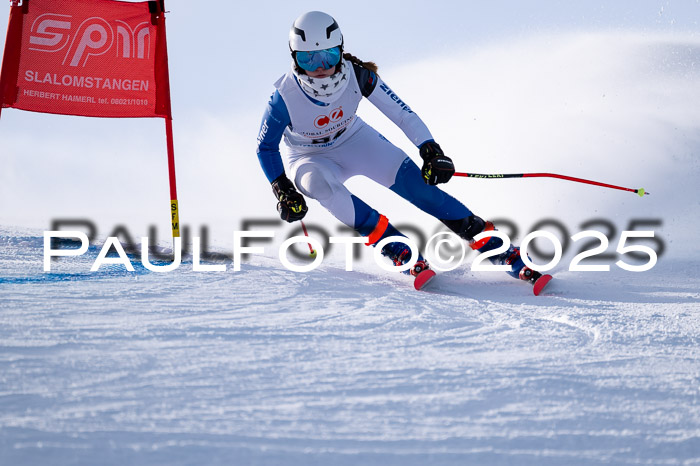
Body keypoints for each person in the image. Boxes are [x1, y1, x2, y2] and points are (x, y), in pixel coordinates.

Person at [256, 11, 544, 287]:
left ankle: (501, 250)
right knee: (322, 187)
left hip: (354, 140)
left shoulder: (358, 76)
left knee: (421, 190)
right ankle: (398, 249)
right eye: (309, 58)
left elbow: (402, 113)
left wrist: (430, 150)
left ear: (341, 49)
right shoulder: (284, 96)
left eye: (329, 55)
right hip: (308, 156)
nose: (320, 66)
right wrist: (282, 188)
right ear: (295, 58)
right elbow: (266, 147)